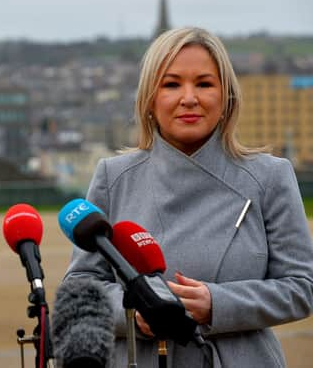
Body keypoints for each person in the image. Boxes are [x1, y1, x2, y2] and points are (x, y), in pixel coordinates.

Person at [64, 27, 313, 367]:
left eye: (205, 84)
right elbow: (80, 288)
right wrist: (134, 312)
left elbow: (301, 287)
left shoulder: (270, 177)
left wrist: (218, 303)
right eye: (171, 84)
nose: (189, 98)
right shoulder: (113, 177)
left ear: (227, 98)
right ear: (150, 99)